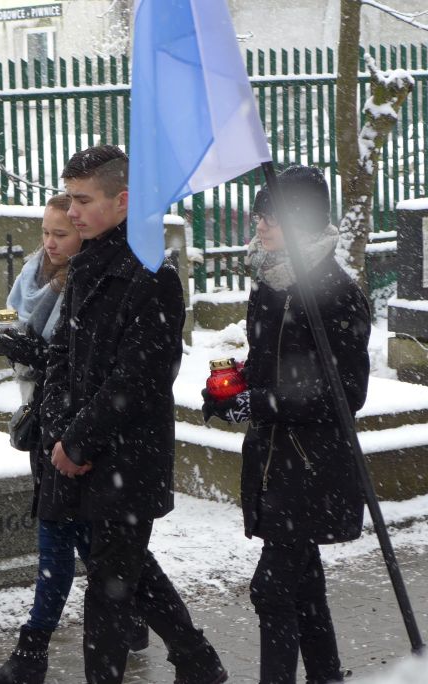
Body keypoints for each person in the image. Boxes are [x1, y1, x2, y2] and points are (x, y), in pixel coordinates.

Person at [39, 144, 227, 684]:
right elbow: (62, 357)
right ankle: (196, 659)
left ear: (122, 201)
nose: (72, 211)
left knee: (109, 587)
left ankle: (158, 667)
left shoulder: (152, 277)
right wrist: (60, 432)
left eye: (83, 200)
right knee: (127, 569)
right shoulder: (87, 264)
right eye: (70, 198)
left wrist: (79, 442)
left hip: (127, 457)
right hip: (82, 450)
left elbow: (138, 380)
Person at [202, 165, 371, 684]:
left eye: (273, 215)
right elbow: (270, 368)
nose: (261, 224)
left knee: (272, 589)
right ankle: (325, 675)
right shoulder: (270, 280)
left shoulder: (335, 292)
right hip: (275, 460)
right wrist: (230, 389)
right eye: (259, 214)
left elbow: (345, 392)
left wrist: (259, 403)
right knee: (304, 587)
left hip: (312, 464)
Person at [0, 195, 149, 684]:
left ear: (84, 235)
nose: (50, 243)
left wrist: (31, 351)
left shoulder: (89, 281)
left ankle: (31, 651)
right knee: (92, 542)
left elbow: (78, 362)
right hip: (45, 423)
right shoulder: (33, 275)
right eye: (46, 232)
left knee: (60, 536)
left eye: (61, 234)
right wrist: (2, 337)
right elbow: (22, 323)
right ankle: (147, 622)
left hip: (74, 431)